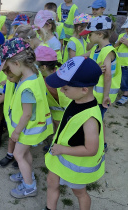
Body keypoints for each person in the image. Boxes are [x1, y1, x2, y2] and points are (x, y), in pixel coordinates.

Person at [44, 57, 105, 210]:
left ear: (84, 89)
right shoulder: (78, 99)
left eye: (65, 88)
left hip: (76, 167)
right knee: (51, 182)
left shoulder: (90, 119)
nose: (61, 91)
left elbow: (91, 149)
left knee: (79, 193)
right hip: (59, 158)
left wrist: (62, 149)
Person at [0, 38, 53, 198]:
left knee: (18, 155)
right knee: (24, 153)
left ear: (17, 64)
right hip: (30, 128)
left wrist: (16, 132)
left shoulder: (27, 87)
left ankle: (29, 187)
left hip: (27, 128)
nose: (8, 71)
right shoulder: (34, 72)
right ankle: (26, 174)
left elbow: (27, 113)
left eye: (8, 67)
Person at [80, 15, 121, 151]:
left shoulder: (108, 51)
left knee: (96, 121)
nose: (88, 37)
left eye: (90, 34)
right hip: (94, 95)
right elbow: (86, 56)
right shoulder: (97, 48)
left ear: (99, 34)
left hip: (101, 97)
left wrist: (106, 96)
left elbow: (108, 75)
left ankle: (100, 145)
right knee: (96, 119)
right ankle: (98, 142)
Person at [114, 17, 128, 105]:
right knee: (121, 79)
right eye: (126, 27)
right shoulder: (121, 35)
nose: (127, 29)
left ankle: (125, 95)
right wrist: (119, 42)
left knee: (125, 80)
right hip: (119, 63)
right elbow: (115, 47)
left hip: (126, 64)